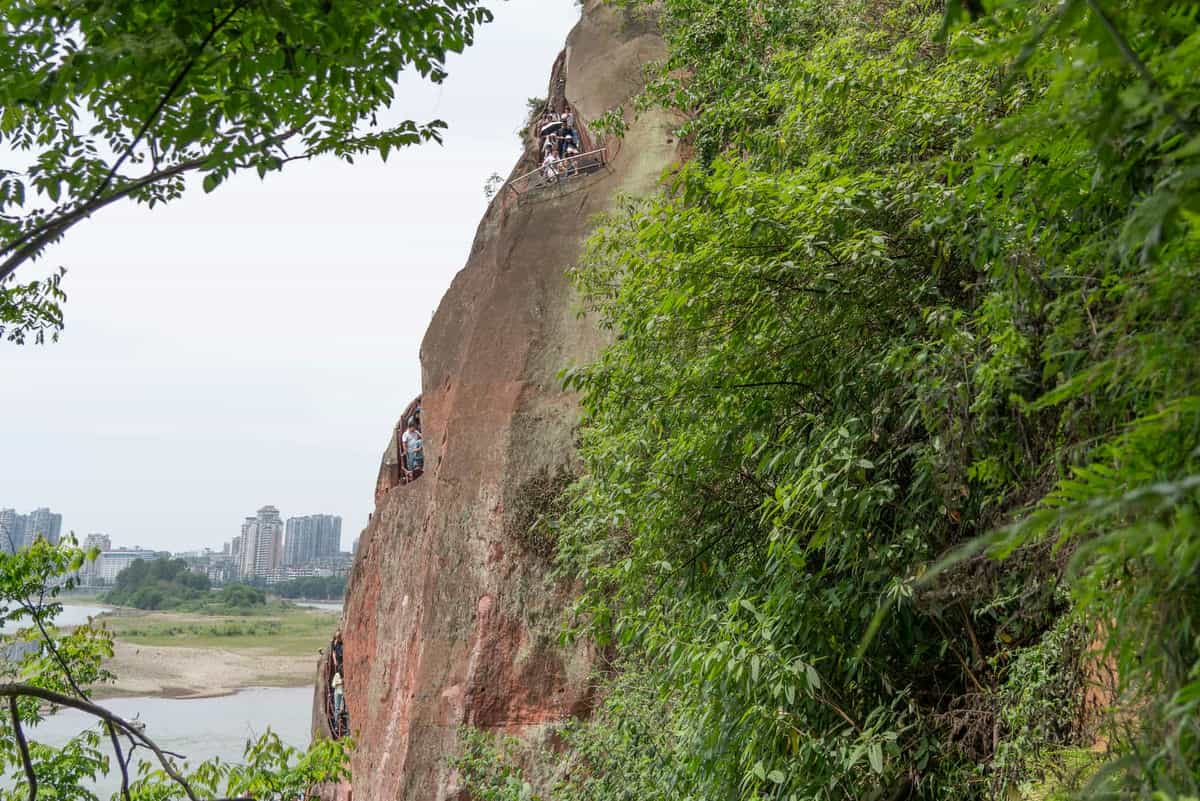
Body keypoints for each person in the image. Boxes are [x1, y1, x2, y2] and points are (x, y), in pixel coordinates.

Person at [331, 670, 345, 736]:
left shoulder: (344, 675)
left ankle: (342, 724)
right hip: (337, 693)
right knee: (337, 709)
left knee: (341, 709)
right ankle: (336, 725)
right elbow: (333, 685)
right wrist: (340, 682)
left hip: (342, 693)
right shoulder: (336, 675)